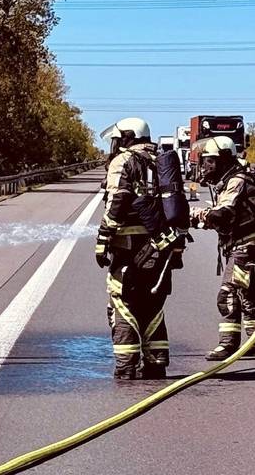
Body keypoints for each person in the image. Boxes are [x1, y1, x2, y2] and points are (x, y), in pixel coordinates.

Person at [95, 117, 181, 380]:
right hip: (162, 246)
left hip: (128, 248)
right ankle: (157, 362)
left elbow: (118, 200)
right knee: (152, 304)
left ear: (128, 136)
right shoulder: (161, 161)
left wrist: (103, 237)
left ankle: (126, 365)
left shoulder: (124, 161)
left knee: (122, 302)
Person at [190, 136, 255, 360]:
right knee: (247, 294)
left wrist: (197, 215)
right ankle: (253, 340)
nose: (205, 166)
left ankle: (228, 344)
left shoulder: (236, 181)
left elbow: (223, 214)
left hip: (246, 246)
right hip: (243, 246)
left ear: (224, 159)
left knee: (228, 294)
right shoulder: (233, 180)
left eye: (210, 161)